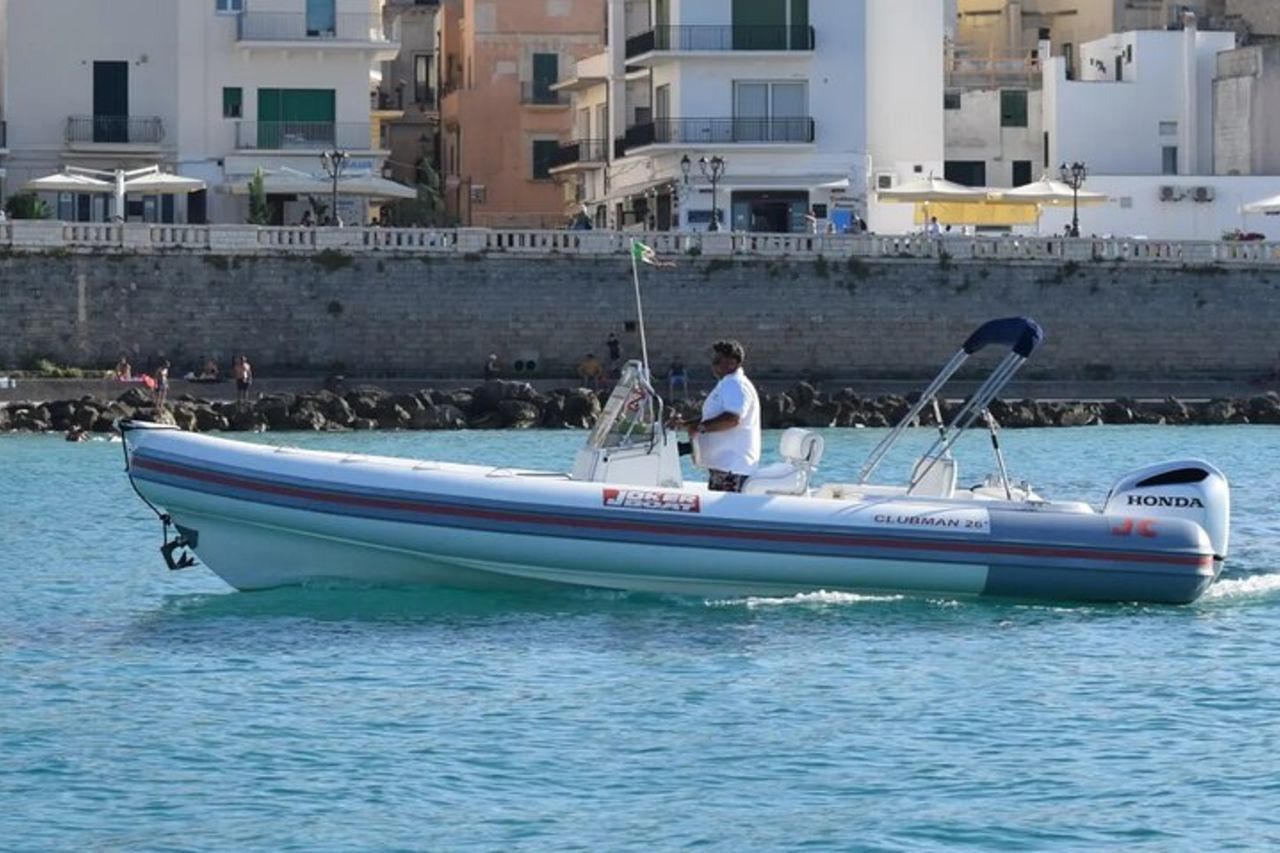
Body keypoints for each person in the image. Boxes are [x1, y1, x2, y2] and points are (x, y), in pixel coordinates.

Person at [674, 339, 760, 493]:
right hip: (724, 468)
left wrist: (700, 428)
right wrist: (686, 424)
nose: (713, 365)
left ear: (732, 363)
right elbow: (714, 417)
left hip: (732, 469)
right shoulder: (727, 384)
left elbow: (732, 419)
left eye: (717, 360)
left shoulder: (735, 384)